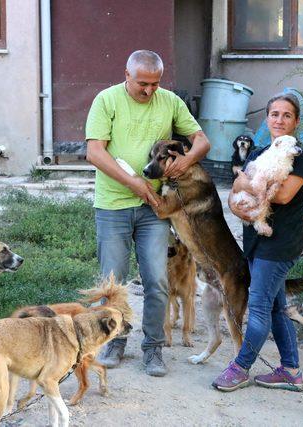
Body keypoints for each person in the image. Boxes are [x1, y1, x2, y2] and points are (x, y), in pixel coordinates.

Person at [85, 50, 210, 377]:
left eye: (155, 84)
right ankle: (113, 342)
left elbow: (201, 140)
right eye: (143, 84)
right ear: (126, 74)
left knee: (157, 280)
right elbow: (95, 152)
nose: (149, 91)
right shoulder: (106, 100)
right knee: (112, 283)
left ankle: (153, 349)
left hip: (155, 210)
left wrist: (186, 160)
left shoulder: (169, 101)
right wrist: (136, 184)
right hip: (112, 205)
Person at [212, 93, 303, 391]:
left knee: (258, 308)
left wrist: (246, 184)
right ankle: (291, 371)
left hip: (279, 245)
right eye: (274, 114)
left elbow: (281, 196)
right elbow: (235, 194)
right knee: (276, 307)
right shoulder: (258, 153)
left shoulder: (299, 158)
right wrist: (238, 200)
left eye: (287, 115)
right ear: (266, 119)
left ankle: (240, 368)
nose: (279, 120)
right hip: (256, 241)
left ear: (296, 122)